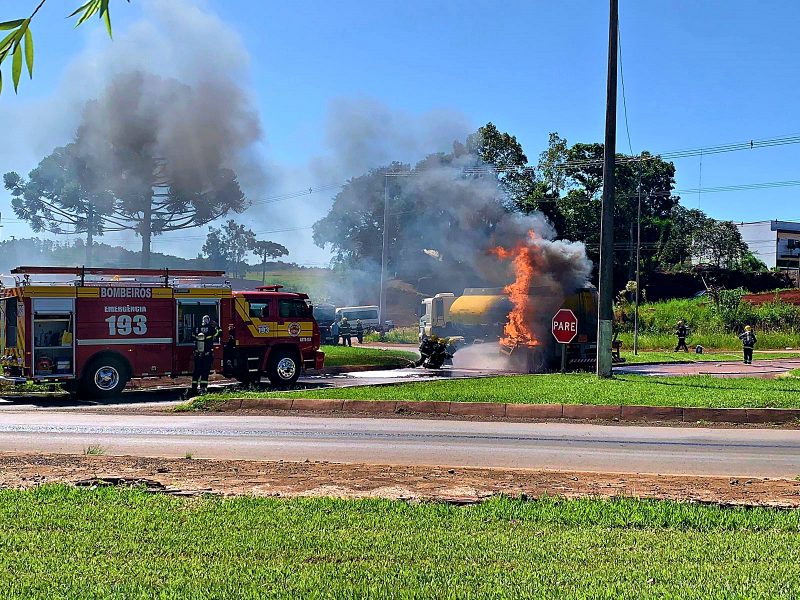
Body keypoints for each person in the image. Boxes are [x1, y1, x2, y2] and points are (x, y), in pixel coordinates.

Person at [190, 315, 221, 396]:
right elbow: (220, 333)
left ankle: (193, 388)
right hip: (207, 354)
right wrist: (217, 326)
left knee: (196, 371)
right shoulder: (211, 328)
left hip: (197, 354)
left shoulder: (196, 328)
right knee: (205, 371)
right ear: (208, 320)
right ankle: (203, 388)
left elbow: (192, 336)